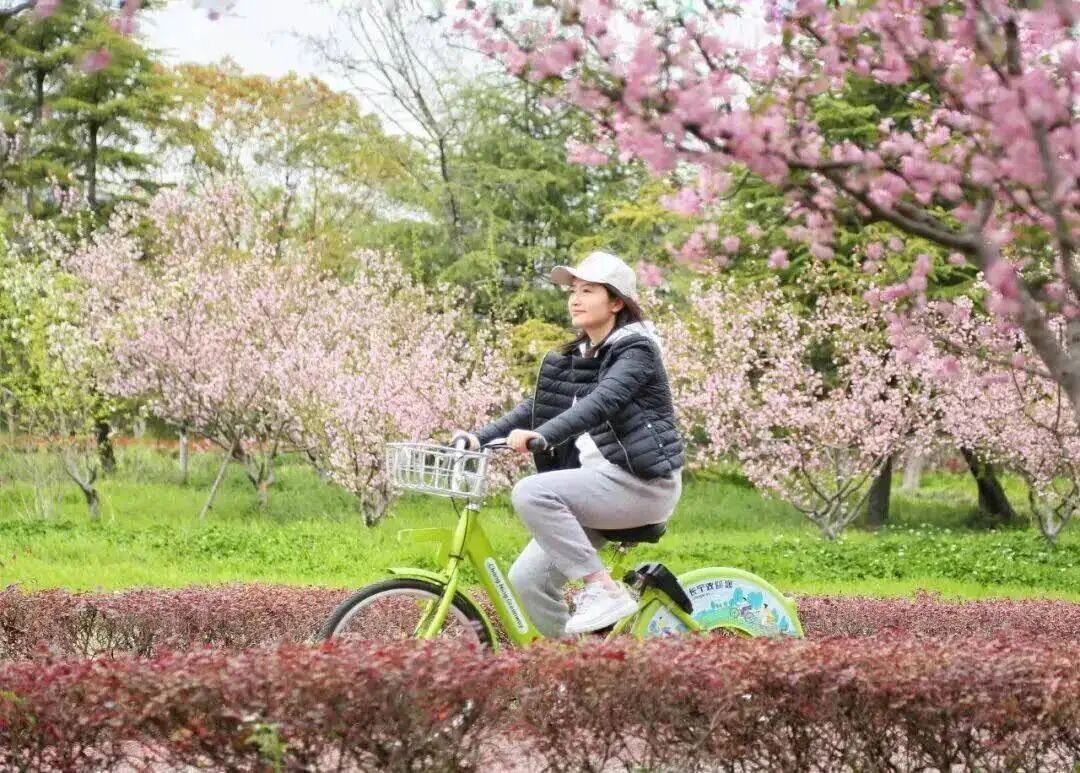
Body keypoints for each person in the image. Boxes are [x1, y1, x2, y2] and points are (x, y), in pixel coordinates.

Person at [452, 251, 685, 635]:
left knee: (531, 492)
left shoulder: (637, 351)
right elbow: (533, 410)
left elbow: (602, 402)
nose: (575, 299)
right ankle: (579, 664)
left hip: (641, 484)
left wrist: (544, 436)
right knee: (528, 582)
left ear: (616, 302)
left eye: (588, 291)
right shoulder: (580, 356)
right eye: (573, 291)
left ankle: (602, 590)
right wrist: (478, 438)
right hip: (597, 486)